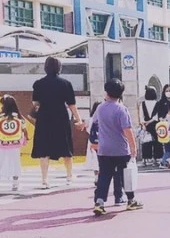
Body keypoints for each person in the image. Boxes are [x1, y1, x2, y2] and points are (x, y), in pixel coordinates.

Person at [30, 57, 84, 189]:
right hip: (61, 117)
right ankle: (69, 176)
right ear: (59, 68)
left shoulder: (38, 84)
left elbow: (35, 103)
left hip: (44, 118)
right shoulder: (65, 84)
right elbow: (71, 105)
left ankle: (44, 179)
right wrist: (78, 119)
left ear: (45, 67)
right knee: (66, 147)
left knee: (44, 149)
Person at [92, 79, 143, 216]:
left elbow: (94, 123)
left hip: (104, 149)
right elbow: (127, 130)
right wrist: (133, 147)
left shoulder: (100, 108)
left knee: (104, 175)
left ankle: (99, 202)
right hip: (120, 149)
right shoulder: (121, 109)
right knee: (125, 175)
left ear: (106, 92)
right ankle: (131, 200)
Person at [0, 95, 28, 193]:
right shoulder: (18, 117)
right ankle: (15, 183)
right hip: (15, 144)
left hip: (2, 143)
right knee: (15, 163)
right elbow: (24, 129)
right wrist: (25, 139)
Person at [139, 87, 161, 166]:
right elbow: (156, 116)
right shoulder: (158, 103)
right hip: (155, 125)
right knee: (157, 142)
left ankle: (145, 159)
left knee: (146, 142)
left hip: (145, 125)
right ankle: (156, 158)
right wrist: (150, 121)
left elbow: (141, 115)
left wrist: (144, 124)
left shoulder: (142, 104)